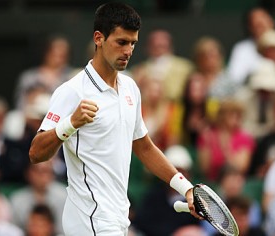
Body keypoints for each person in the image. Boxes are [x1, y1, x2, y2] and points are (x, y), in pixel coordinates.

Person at [28, 3, 203, 235]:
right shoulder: (72, 91)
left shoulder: (130, 87)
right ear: (99, 38)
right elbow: (36, 153)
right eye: (121, 42)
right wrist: (70, 123)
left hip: (118, 218)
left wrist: (186, 188)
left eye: (133, 43)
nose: (128, 51)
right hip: (89, 219)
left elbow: (144, 147)